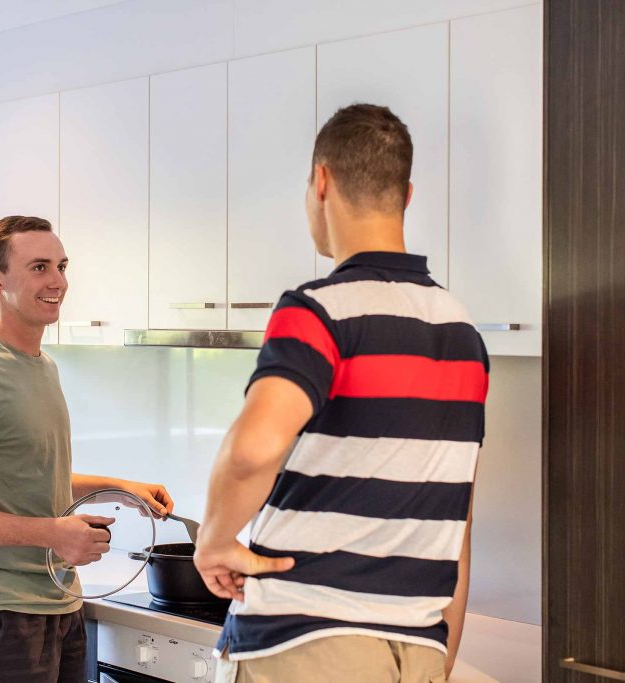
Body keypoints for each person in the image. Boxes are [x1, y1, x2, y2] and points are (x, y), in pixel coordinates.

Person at [194, 104, 489, 682]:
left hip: (309, 644)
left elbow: (253, 450)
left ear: (320, 181)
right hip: (419, 648)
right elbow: (459, 520)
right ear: (407, 195)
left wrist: (214, 539)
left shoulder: (319, 311)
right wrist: (440, 654)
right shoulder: (462, 332)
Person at [0, 215, 175, 683]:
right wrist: (53, 533)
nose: (58, 281)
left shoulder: (42, 366)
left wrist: (120, 487)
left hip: (56, 605)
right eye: (38, 267)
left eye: (61, 265)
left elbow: (28, 477)